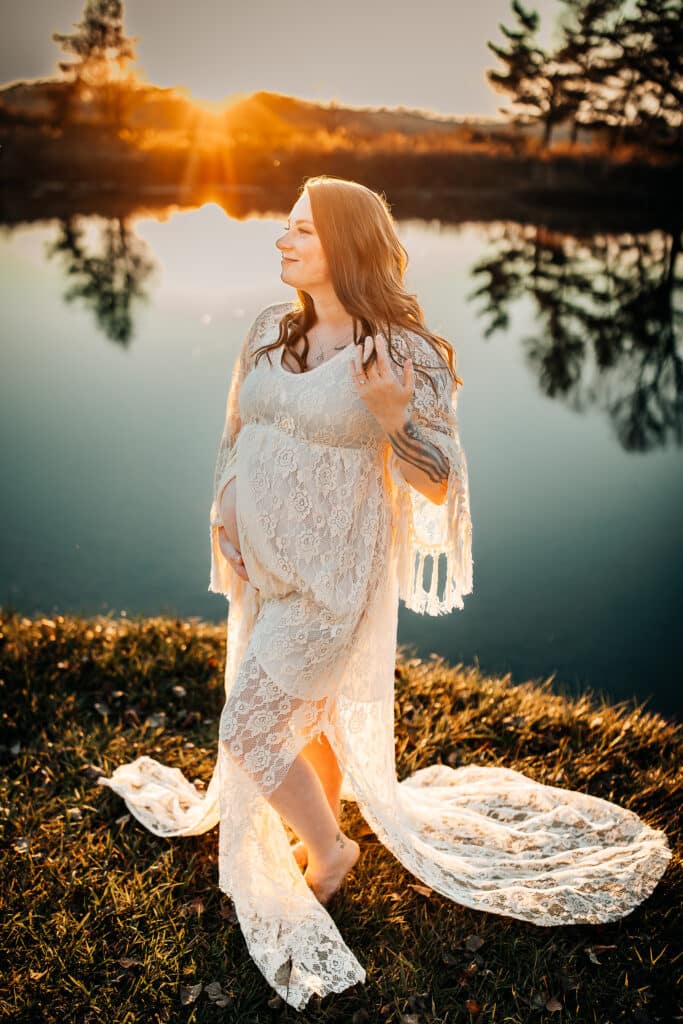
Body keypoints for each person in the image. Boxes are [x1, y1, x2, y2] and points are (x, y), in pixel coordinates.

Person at [98, 175, 672, 1011]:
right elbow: (240, 429)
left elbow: (438, 484)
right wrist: (223, 508)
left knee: (250, 725)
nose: (280, 242)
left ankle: (330, 852)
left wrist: (394, 415)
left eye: (299, 230)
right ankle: (321, 820)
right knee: (303, 711)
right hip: (265, 569)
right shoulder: (268, 330)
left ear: (345, 243)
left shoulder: (400, 353)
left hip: (331, 580)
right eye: (283, 228)